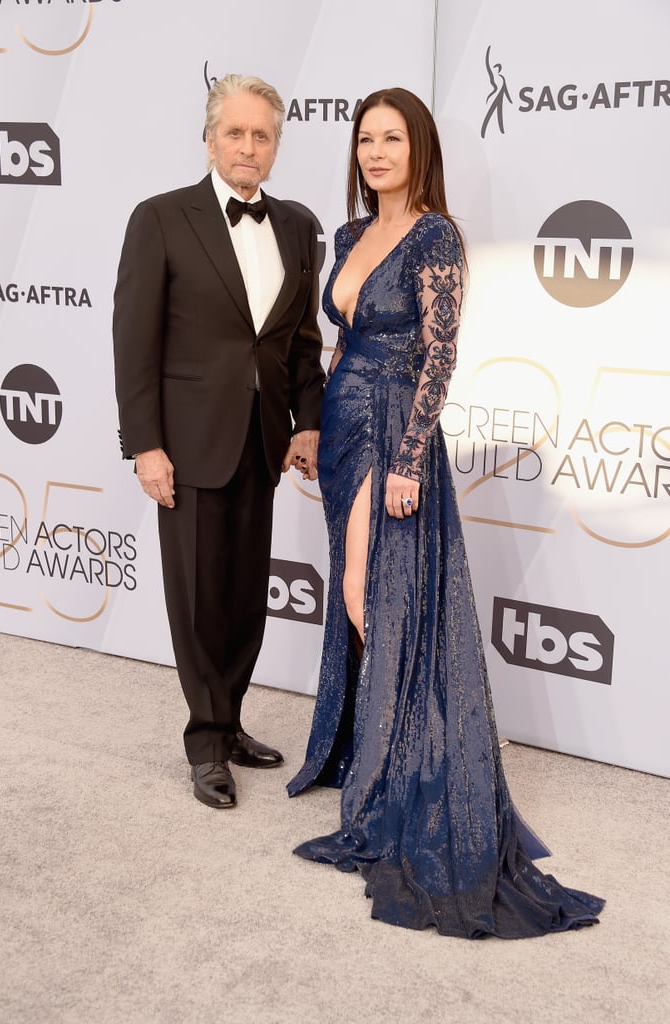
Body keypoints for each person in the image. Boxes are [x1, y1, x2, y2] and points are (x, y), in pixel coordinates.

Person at [287, 87, 605, 938]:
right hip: (345, 424)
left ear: (418, 149)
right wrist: (314, 429)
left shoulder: (435, 234)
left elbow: (440, 351)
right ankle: (375, 755)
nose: (376, 153)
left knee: (376, 599)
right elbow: (339, 340)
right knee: (358, 601)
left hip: (396, 433)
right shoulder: (353, 234)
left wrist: (409, 458)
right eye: (365, 140)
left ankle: (402, 774)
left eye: (392, 139)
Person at [113, 74, 325, 810]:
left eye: (261, 135)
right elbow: (133, 342)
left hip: (262, 444)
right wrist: (145, 444)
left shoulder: (298, 226)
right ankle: (205, 742)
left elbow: (301, 343)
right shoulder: (161, 219)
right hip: (189, 445)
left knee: (241, 599)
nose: (247, 146)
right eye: (234, 133)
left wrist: (309, 423)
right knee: (197, 601)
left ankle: (230, 722)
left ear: (275, 146)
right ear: (210, 141)